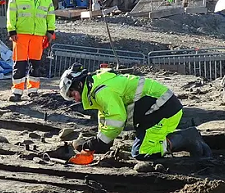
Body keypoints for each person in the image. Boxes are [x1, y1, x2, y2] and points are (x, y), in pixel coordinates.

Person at [58, 64, 212, 159]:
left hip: (164, 110)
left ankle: (187, 138)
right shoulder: (96, 88)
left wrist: (97, 143)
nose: (75, 99)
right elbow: (106, 118)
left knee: (143, 152)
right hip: (156, 110)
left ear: (78, 85)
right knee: (141, 148)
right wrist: (101, 142)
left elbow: (117, 119)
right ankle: (174, 137)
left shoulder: (101, 91)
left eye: (73, 94)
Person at [7, 0, 56, 101]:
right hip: (21, 33)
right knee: (19, 63)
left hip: (38, 34)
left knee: (36, 63)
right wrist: (12, 29)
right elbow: (11, 10)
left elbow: (50, 12)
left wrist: (50, 30)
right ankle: (17, 91)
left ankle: (33, 90)